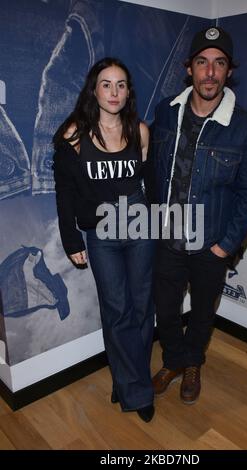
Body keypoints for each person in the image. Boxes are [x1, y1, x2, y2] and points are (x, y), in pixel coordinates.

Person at [148, 27, 247, 405]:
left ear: (229, 71)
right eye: (202, 62)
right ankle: (173, 360)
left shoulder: (246, 128)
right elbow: (151, 172)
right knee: (165, 310)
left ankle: (193, 362)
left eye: (219, 63)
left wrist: (225, 246)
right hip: (166, 239)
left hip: (209, 243)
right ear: (189, 69)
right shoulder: (165, 112)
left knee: (201, 313)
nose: (210, 72)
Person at [52, 57, 155, 422]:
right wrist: (70, 240)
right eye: (107, 84)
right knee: (117, 310)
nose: (114, 92)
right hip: (101, 235)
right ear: (93, 89)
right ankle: (138, 389)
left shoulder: (140, 132)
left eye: (121, 84)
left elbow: (149, 186)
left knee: (143, 308)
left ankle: (128, 379)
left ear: (129, 92)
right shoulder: (74, 135)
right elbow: (64, 192)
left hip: (141, 230)